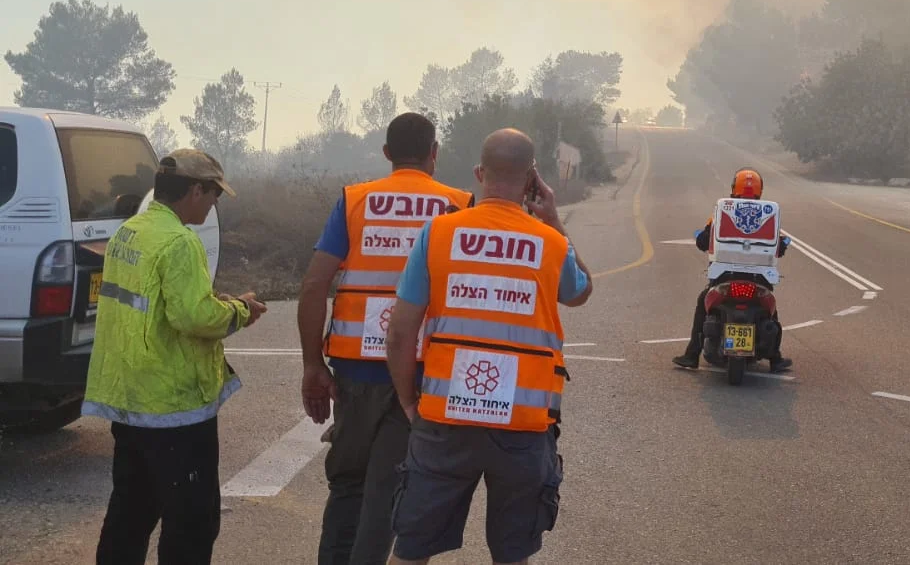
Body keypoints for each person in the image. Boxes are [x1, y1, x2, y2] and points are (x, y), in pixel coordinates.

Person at [384, 128, 594, 565]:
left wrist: (408, 402)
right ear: (533, 178)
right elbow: (580, 292)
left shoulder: (438, 233)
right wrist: (553, 219)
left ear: (479, 173)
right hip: (523, 425)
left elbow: (401, 332)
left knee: (411, 550)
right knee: (512, 555)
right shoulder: (550, 243)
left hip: (444, 420)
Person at [298, 112, 474, 565]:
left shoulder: (356, 201)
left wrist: (313, 365)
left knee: (348, 484)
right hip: (419, 373)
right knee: (385, 492)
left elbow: (315, 284)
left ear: (386, 154)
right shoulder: (458, 205)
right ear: (434, 154)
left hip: (354, 373)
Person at [83, 149, 267, 565]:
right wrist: (239, 309)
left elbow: (159, 306)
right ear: (195, 190)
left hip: (131, 400)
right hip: (174, 409)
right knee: (192, 522)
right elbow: (193, 316)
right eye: (214, 194)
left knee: (130, 512)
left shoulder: (129, 233)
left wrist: (213, 301)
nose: (214, 203)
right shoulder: (180, 241)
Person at [672, 168, 792, 373]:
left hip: (724, 278)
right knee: (771, 312)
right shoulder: (767, 213)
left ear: (734, 187)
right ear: (759, 189)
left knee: (703, 302)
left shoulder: (723, 211)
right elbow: (779, 247)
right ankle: (775, 358)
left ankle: (692, 355)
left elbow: (703, 241)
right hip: (759, 281)